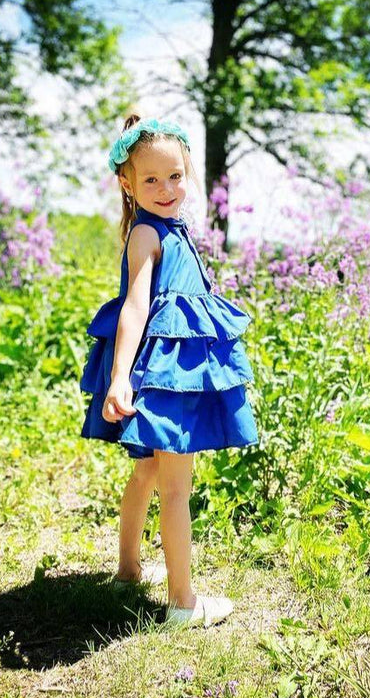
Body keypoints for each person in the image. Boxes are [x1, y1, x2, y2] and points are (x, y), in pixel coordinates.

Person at [79, 114, 259, 628]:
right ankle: (184, 603)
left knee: (150, 471)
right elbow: (134, 308)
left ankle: (129, 571)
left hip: (169, 371)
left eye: (175, 176)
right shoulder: (145, 235)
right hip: (165, 376)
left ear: (188, 174)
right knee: (176, 486)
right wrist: (120, 378)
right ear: (127, 183)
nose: (165, 188)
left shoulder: (173, 228)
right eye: (151, 179)